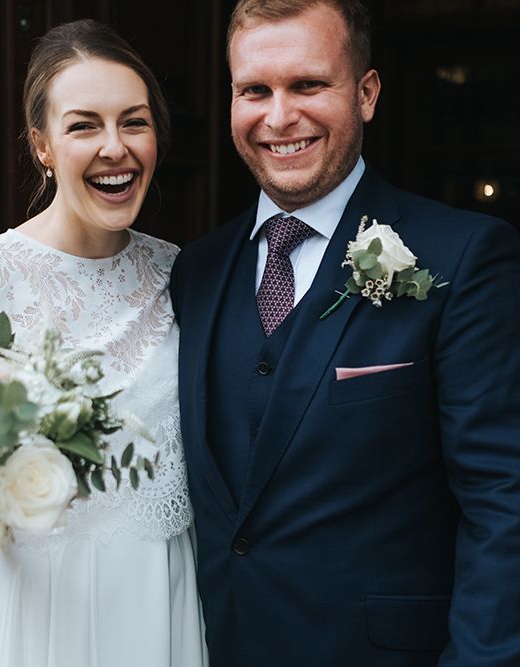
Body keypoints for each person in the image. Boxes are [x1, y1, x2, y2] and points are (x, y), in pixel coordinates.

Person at [169, 0, 520, 665]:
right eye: (254, 90)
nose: (278, 116)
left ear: (365, 93)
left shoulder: (463, 256)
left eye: (306, 85)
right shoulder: (194, 271)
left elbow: (503, 501)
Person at [0, 19, 207, 667]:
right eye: (83, 126)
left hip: (164, 592)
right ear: (41, 145)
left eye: (134, 122)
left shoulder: (183, 273)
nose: (114, 147)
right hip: (46, 608)